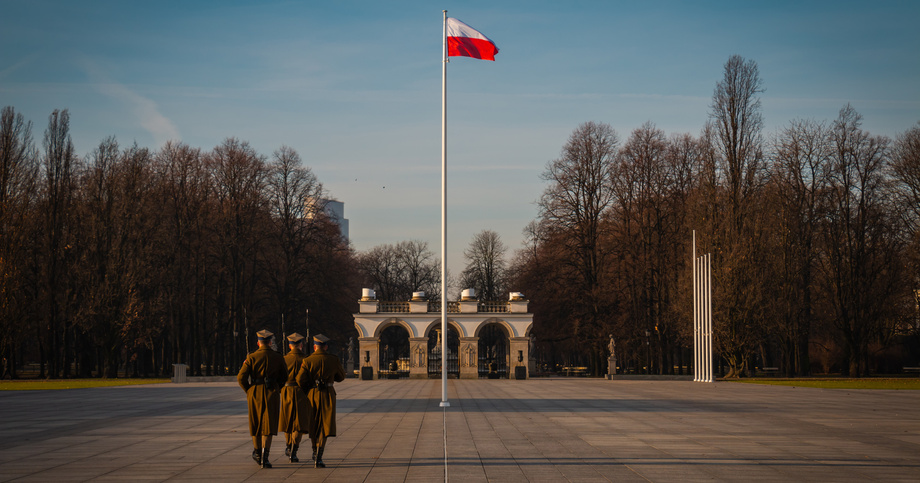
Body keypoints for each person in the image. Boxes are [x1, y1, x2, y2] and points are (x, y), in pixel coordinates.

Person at [237, 329, 287, 468]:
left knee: (256, 424)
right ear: (270, 342)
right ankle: (265, 457)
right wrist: (277, 388)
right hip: (272, 392)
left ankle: (258, 453)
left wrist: (249, 390)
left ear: (258, 342)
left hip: (255, 392)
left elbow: (241, 378)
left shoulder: (252, 357)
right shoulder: (277, 357)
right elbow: (284, 377)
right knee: (269, 425)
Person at [296, 334, 346, 468]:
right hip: (328, 394)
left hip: (312, 393)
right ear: (326, 346)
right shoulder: (333, 360)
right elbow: (341, 377)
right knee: (325, 425)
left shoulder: (308, 360)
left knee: (313, 423)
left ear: (314, 347)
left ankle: (314, 449)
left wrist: (308, 389)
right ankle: (319, 456)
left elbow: (300, 379)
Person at [279, 332, 309, 463]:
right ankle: (294, 449)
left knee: (288, 421)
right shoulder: (306, 359)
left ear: (290, 345)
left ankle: (288, 445)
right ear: (301, 345)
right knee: (299, 423)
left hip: (287, 390)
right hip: (302, 391)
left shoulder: (283, 359)